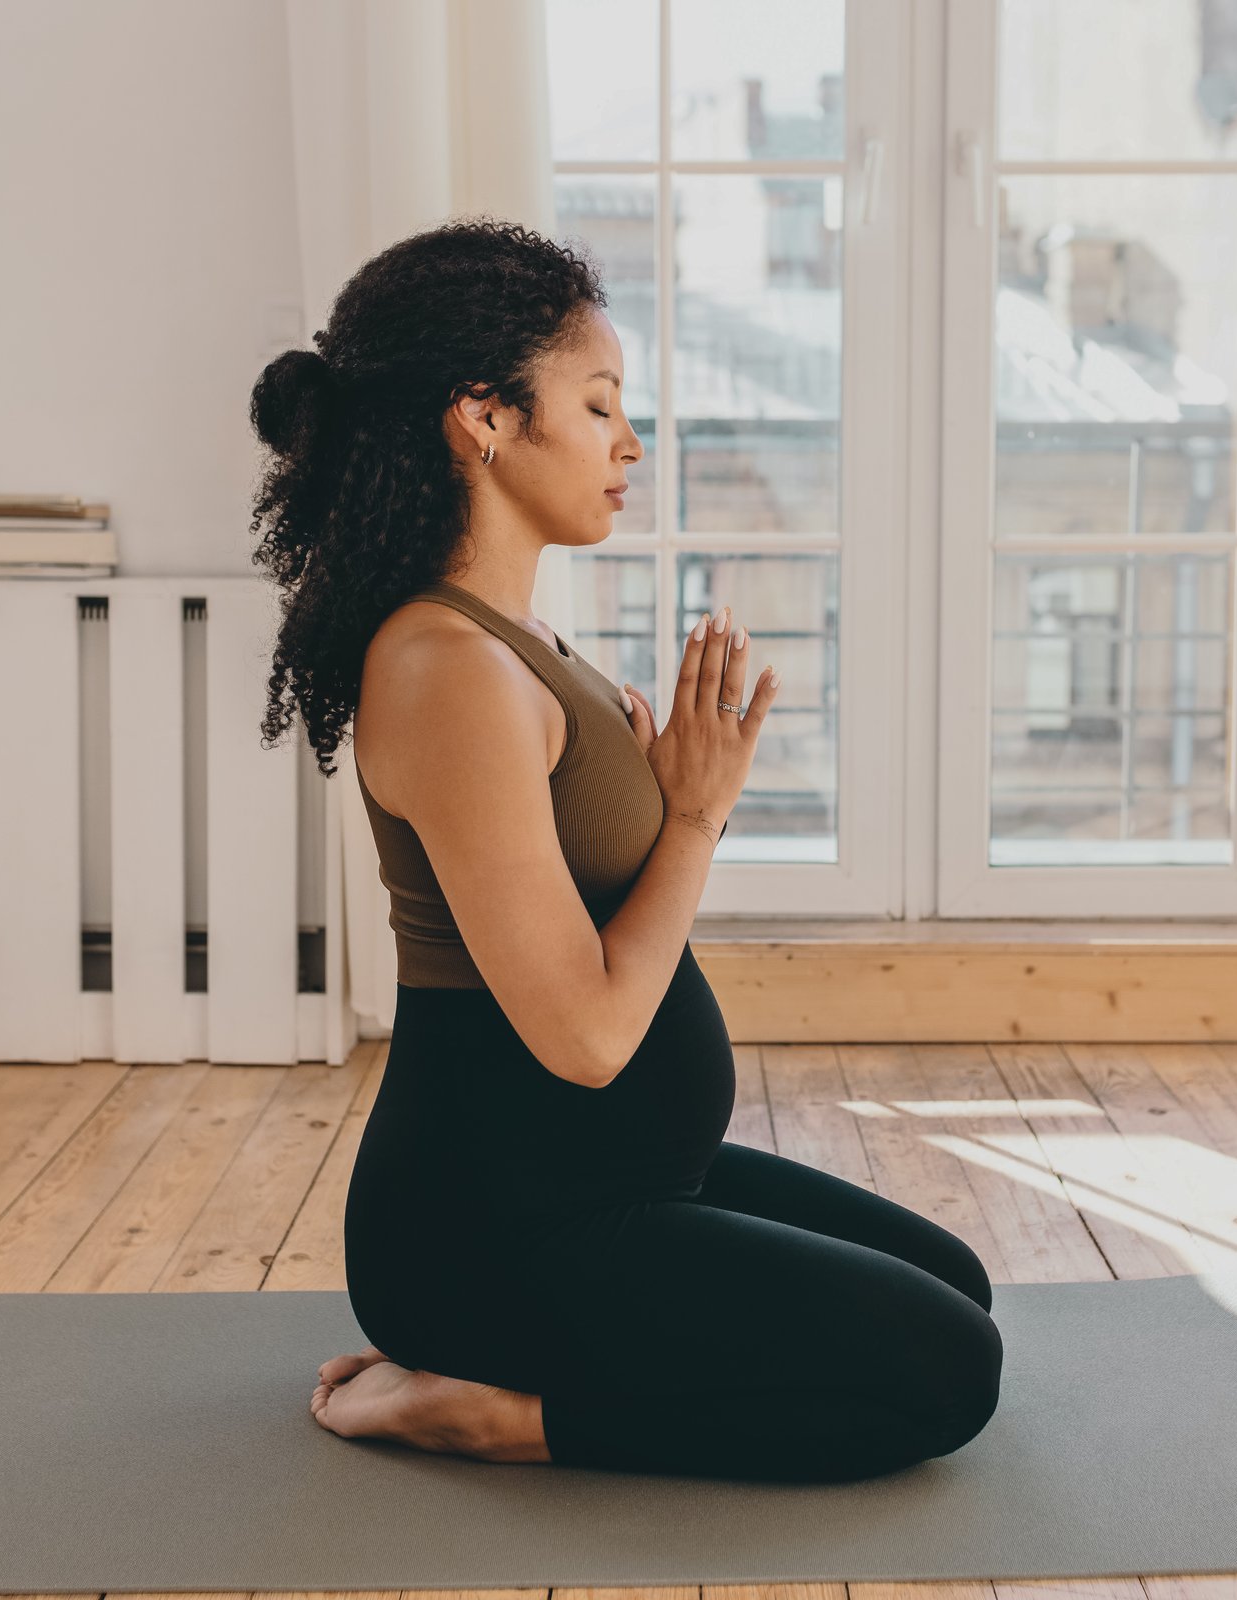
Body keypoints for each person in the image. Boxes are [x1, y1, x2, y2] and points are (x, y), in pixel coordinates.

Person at [245, 216, 1003, 1483]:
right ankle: (498, 1413)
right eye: (597, 406)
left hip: (621, 1177)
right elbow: (586, 1038)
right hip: (501, 1226)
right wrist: (695, 821)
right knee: (944, 1375)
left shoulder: (514, 640)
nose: (628, 442)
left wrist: (652, 810)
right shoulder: (445, 668)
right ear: (482, 418)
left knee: (958, 1286)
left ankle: (536, 1371)